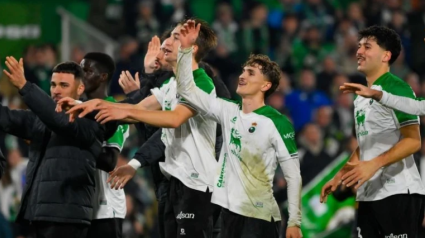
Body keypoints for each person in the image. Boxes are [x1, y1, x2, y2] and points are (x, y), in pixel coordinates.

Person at [66, 18, 219, 238]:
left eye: (176, 37)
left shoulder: (202, 83)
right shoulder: (171, 84)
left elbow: (174, 118)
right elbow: (134, 109)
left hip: (196, 185)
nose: (166, 41)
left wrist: (124, 111)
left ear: (191, 47)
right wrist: (88, 106)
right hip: (174, 182)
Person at [173, 20, 302, 238]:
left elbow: (293, 176)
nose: (242, 75)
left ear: (265, 85)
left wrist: (294, 222)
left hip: (259, 217)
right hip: (229, 214)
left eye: (251, 73)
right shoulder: (228, 110)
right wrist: (186, 51)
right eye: (243, 71)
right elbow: (187, 90)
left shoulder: (277, 122)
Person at [321, 25, 425, 238]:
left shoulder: (397, 89)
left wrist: (373, 165)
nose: (359, 51)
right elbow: (366, 145)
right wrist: (340, 176)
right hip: (368, 195)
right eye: (359, 47)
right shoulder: (360, 98)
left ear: (386, 55)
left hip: (398, 193)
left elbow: (413, 141)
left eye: (367, 47)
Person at [1, 58, 105, 238]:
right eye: (53, 84)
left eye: (64, 85)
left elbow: (62, 122)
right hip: (37, 214)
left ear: (80, 89)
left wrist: (25, 86)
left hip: (66, 216)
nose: (56, 90)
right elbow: (7, 118)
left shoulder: (91, 117)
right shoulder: (40, 119)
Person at [79, 52, 130, 238]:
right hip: (80, 206)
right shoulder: (78, 107)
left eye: (88, 71)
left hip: (105, 209)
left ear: (103, 77)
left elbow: (109, 160)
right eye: (80, 70)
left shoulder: (115, 112)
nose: (82, 75)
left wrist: (77, 137)